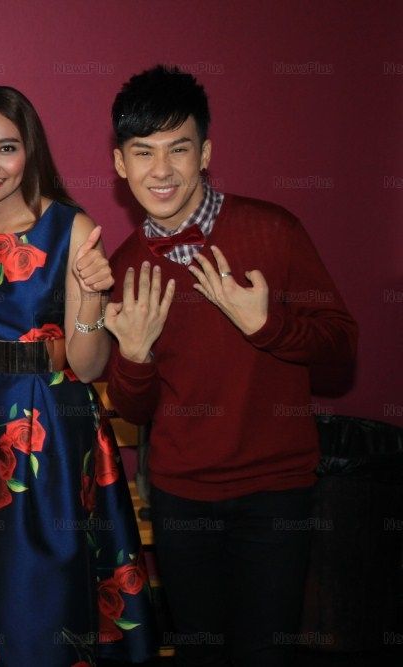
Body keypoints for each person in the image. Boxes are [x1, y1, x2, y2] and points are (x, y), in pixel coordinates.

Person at [104, 65, 358, 667]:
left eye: (178, 149)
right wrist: (134, 356)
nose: (161, 170)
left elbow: (341, 351)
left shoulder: (273, 231)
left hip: (275, 490)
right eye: (143, 152)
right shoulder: (126, 265)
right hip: (182, 495)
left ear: (205, 154)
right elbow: (136, 409)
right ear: (120, 164)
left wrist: (267, 326)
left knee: (267, 652)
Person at [0, 86, 155, 667]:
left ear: (30, 153)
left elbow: (88, 364)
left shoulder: (71, 227)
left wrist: (92, 296)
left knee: (46, 587)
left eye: (7, 147)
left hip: (55, 430)